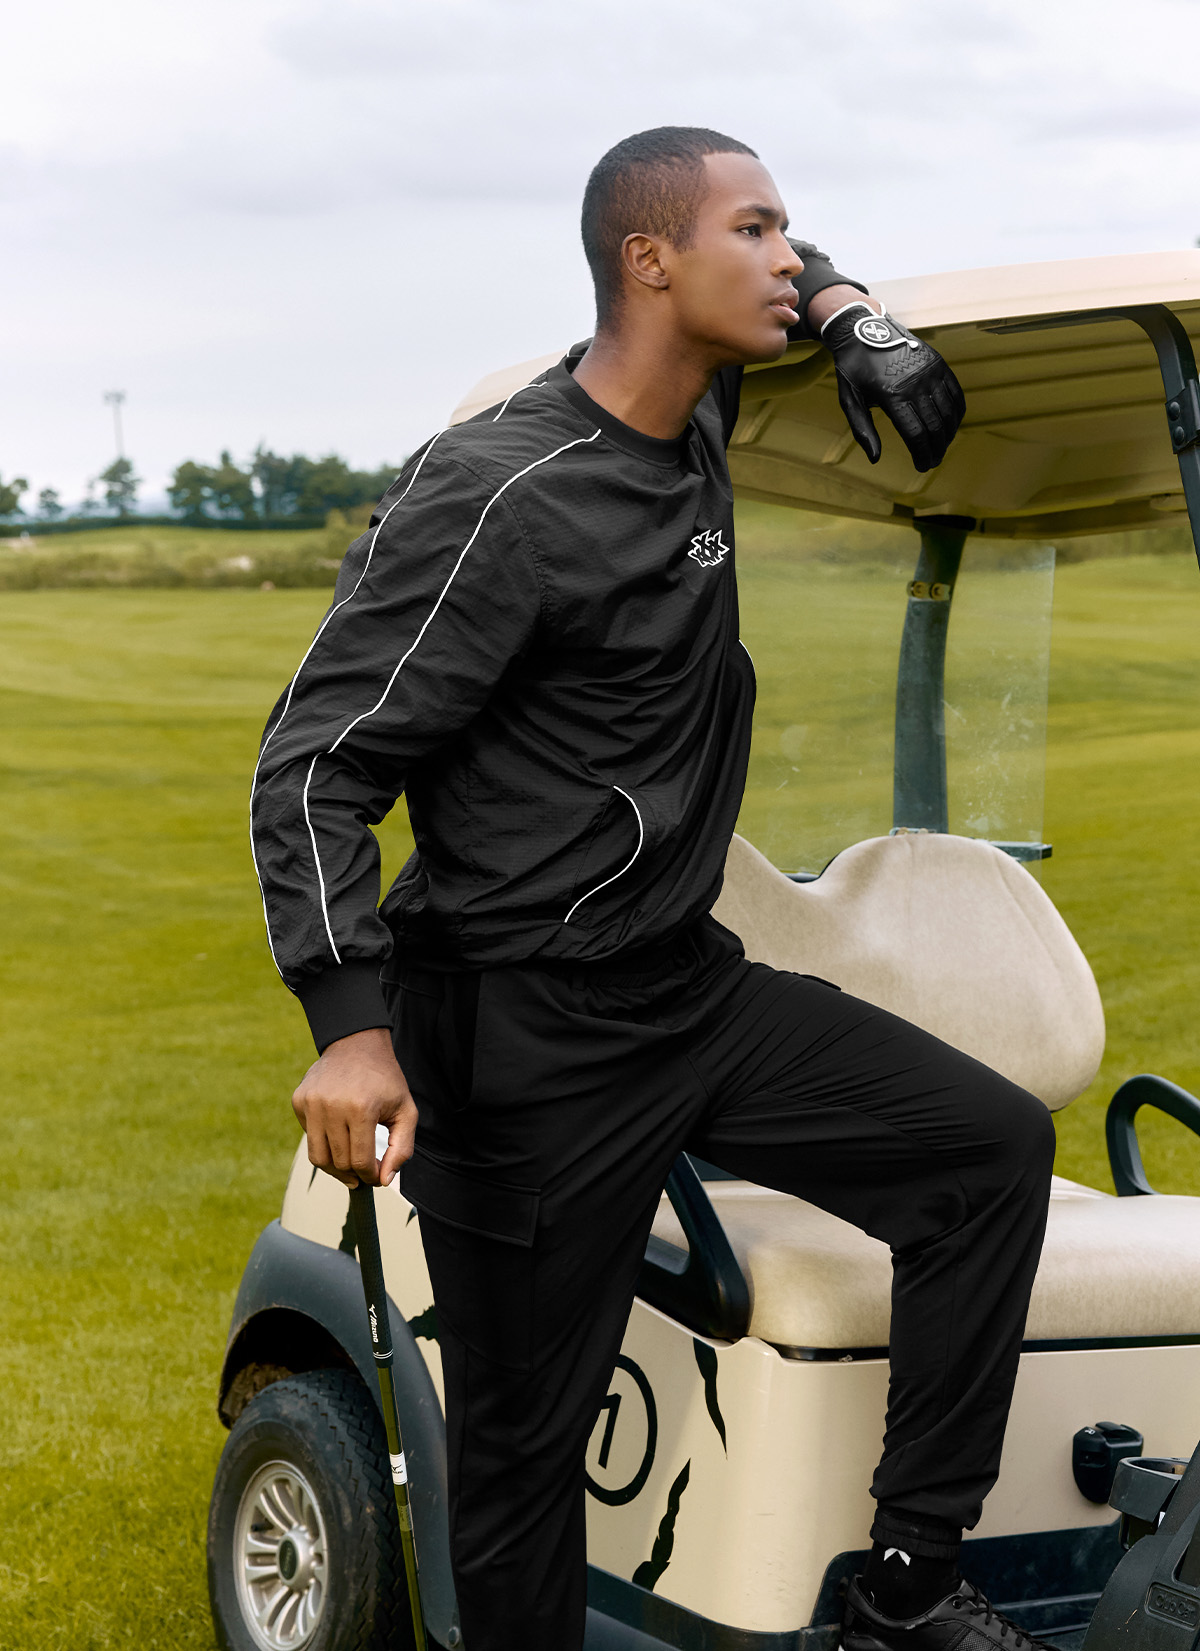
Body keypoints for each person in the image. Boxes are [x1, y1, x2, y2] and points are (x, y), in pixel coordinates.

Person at [251, 126, 1055, 1651]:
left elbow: (805, 282)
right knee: (522, 1458)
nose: (787, 255)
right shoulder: (497, 492)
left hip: (686, 989)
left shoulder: (696, 410)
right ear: (649, 261)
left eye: (789, 230)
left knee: (986, 1151)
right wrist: (350, 1026)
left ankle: (903, 1592)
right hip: (518, 1034)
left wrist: (851, 316)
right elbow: (312, 767)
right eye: (755, 230)